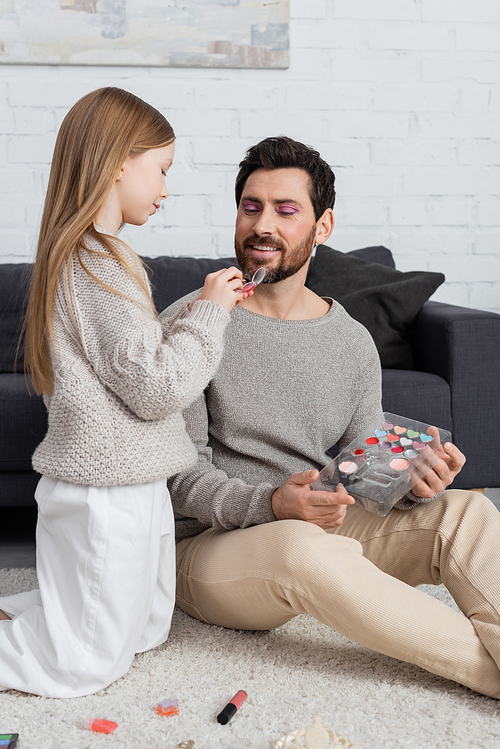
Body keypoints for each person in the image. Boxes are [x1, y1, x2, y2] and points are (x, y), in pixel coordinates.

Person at [165, 136, 500, 699]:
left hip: (325, 526)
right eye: (251, 207)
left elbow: (361, 476)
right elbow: (176, 479)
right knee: (302, 547)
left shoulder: (350, 340)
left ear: (323, 227)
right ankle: (485, 673)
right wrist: (273, 503)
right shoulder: (194, 323)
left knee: (467, 511)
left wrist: (414, 481)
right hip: (210, 547)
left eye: (285, 210)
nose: (262, 225)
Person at [0, 87, 250, 698]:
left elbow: (126, 356)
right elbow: (156, 386)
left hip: (133, 479)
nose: (169, 186)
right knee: (81, 665)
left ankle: (42, 609)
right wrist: (211, 316)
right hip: (104, 488)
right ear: (117, 162)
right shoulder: (96, 262)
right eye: (161, 168)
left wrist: (199, 308)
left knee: (144, 628)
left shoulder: (103, 257)